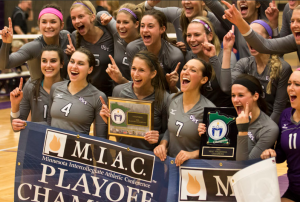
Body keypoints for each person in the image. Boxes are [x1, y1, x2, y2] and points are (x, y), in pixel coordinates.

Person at [222, 20, 292, 123]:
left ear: (269, 40)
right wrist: (227, 50)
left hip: (272, 125)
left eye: (256, 37)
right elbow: (226, 88)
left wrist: (266, 130)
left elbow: (278, 110)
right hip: (248, 121)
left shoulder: (283, 68)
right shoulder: (244, 64)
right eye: (249, 37)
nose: (252, 41)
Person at [100, 50, 169, 150]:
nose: (135, 74)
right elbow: (116, 130)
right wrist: (109, 121)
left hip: (150, 157)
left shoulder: (164, 98)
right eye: (133, 68)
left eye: (141, 70)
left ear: (153, 74)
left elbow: (168, 133)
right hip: (122, 155)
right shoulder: (118, 91)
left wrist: (158, 139)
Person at [154, 58, 215, 166]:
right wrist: (163, 144)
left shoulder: (210, 110)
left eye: (193, 70)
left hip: (194, 168)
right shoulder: (172, 99)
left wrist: (193, 154)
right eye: (184, 68)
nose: (186, 72)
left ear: (203, 80)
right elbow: (170, 130)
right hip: (170, 164)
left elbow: (214, 150)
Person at [0, 4, 73, 80]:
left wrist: (73, 54)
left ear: (61, 25)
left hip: (64, 90)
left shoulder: (66, 37)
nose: (48, 26)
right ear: (39, 25)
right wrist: (6, 43)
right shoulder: (34, 47)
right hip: (39, 91)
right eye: (44, 22)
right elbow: (3, 65)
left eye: (53, 22)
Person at [48, 47, 107, 138]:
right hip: (53, 148)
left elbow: (101, 138)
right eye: (72, 61)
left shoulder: (98, 97)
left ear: (90, 69)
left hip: (78, 150)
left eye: (80, 63)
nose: (74, 66)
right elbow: (48, 124)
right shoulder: (56, 88)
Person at [261, 70, 300, 202]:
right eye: (289, 83)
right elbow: (282, 154)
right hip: (295, 190)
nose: (290, 88)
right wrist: (272, 153)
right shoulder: (285, 115)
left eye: (297, 84)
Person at [126, 9, 185, 93]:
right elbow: (134, 83)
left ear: (162, 29)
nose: (145, 30)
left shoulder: (174, 55)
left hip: (165, 97)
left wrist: (172, 86)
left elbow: (178, 94)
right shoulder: (133, 48)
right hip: (140, 94)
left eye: (150, 26)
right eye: (142, 26)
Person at [10, 45, 64, 132]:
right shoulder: (31, 86)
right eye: (44, 61)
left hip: (60, 141)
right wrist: (15, 105)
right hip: (36, 141)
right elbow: (16, 128)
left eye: (53, 61)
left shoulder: (70, 88)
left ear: (61, 64)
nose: (48, 65)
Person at [222, 1, 300, 61]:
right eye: (292, 21)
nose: (294, 25)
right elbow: (268, 46)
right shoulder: (244, 65)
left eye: (299, 21)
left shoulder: (284, 68)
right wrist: (239, 22)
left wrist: (240, 22)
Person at [185, 16, 237, 107]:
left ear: (210, 36)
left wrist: (213, 58)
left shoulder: (226, 56)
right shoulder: (190, 56)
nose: (192, 39)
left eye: (197, 35)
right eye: (189, 35)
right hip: (198, 111)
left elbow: (227, 89)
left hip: (222, 114)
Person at [67, 0, 114, 96]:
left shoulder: (110, 35)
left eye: (81, 16)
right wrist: (73, 57)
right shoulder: (74, 38)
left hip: (109, 94)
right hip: (84, 95)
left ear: (92, 17)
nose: (77, 21)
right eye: (73, 18)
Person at [143, 0, 227, 51]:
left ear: (203, 2)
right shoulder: (177, 15)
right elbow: (148, 11)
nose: (187, 1)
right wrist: (149, 3)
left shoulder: (215, 22)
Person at [203, 0, 271, 59]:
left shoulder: (267, 21)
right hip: (245, 73)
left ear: (257, 4)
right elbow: (211, 3)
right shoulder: (236, 24)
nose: (242, 0)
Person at [97, 3, 143, 82]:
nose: (121, 26)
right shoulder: (117, 32)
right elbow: (98, 15)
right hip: (115, 91)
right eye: (118, 22)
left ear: (136, 24)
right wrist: (105, 17)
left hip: (134, 91)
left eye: (126, 22)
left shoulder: (143, 44)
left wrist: (120, 80)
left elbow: (138, 85)